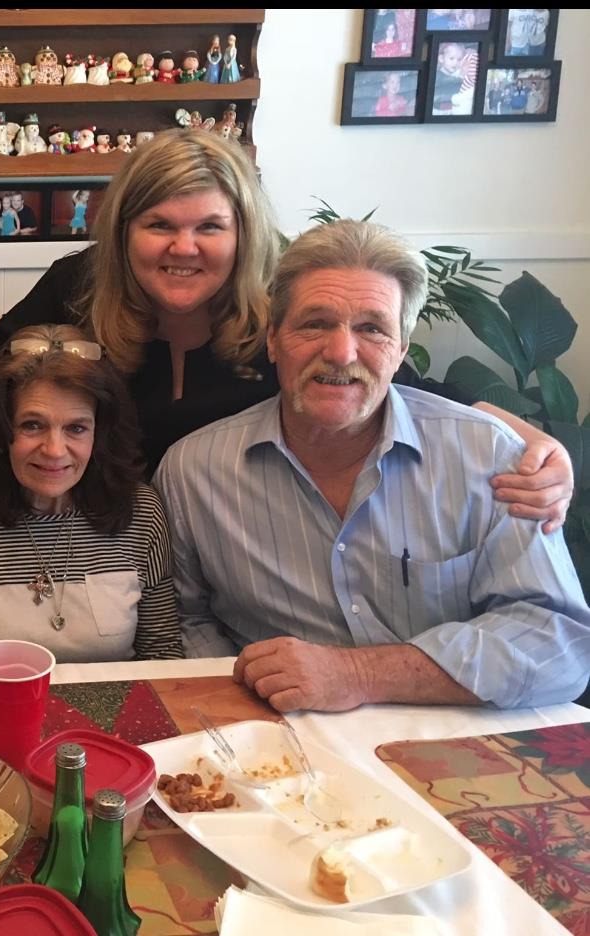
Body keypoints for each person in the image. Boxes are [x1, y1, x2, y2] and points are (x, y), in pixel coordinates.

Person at [0, 129, 573, 531]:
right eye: (160, 225)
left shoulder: (288, 295)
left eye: (209, 227)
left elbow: (390, 380)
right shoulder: (78, 282)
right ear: (123, 233)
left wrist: (537, 444)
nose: (183, 247)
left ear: (242, 232)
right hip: (96, 544)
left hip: (242, 548)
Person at [154, 220, 590, 712]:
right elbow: (187, 622)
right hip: (278, 748)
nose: (341, 352)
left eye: (372, 329)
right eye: (315, 323)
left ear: (400, 350)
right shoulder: (194, 473)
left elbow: (558, 642)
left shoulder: (490, 459)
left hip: (459, 740)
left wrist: (358, 674)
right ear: (273, 339)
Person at [0, 325, 180, 668]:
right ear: (2, 428)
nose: (54, 450)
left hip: (117, 717)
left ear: (100, 433)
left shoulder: (140, 510)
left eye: (76, 428)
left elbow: (162, 659)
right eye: (32, 425)